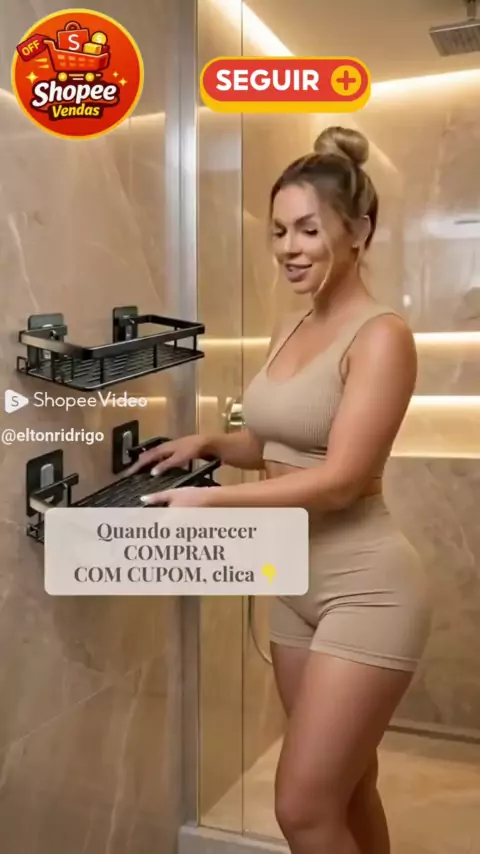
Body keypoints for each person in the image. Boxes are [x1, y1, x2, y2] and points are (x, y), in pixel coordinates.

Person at [127, 126, 432, 854]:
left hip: (366, 589)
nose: (289, 248)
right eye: (278, 231)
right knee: (349, 787)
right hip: (292, 582)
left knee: (302, 808)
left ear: (358, 231)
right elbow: (275, 448)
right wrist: (210, 445)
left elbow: (341, 479)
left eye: (308, 229)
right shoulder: (292, 328)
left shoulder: (381, 336)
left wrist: (210, 501)